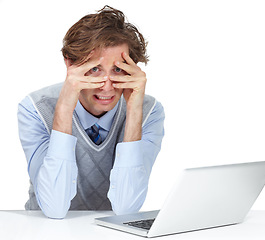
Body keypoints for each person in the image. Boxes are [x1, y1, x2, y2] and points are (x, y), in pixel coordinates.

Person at [17, 5, 165, 219]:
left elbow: (126, 209)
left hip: (110, 233)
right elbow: (54, 208)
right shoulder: (35, 108)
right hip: (46, 232)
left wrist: (134, 111)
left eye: (118, 70)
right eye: (94, 69)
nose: (107, 87)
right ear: (70, 63)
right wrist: (65, 108)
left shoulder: (150, 111)